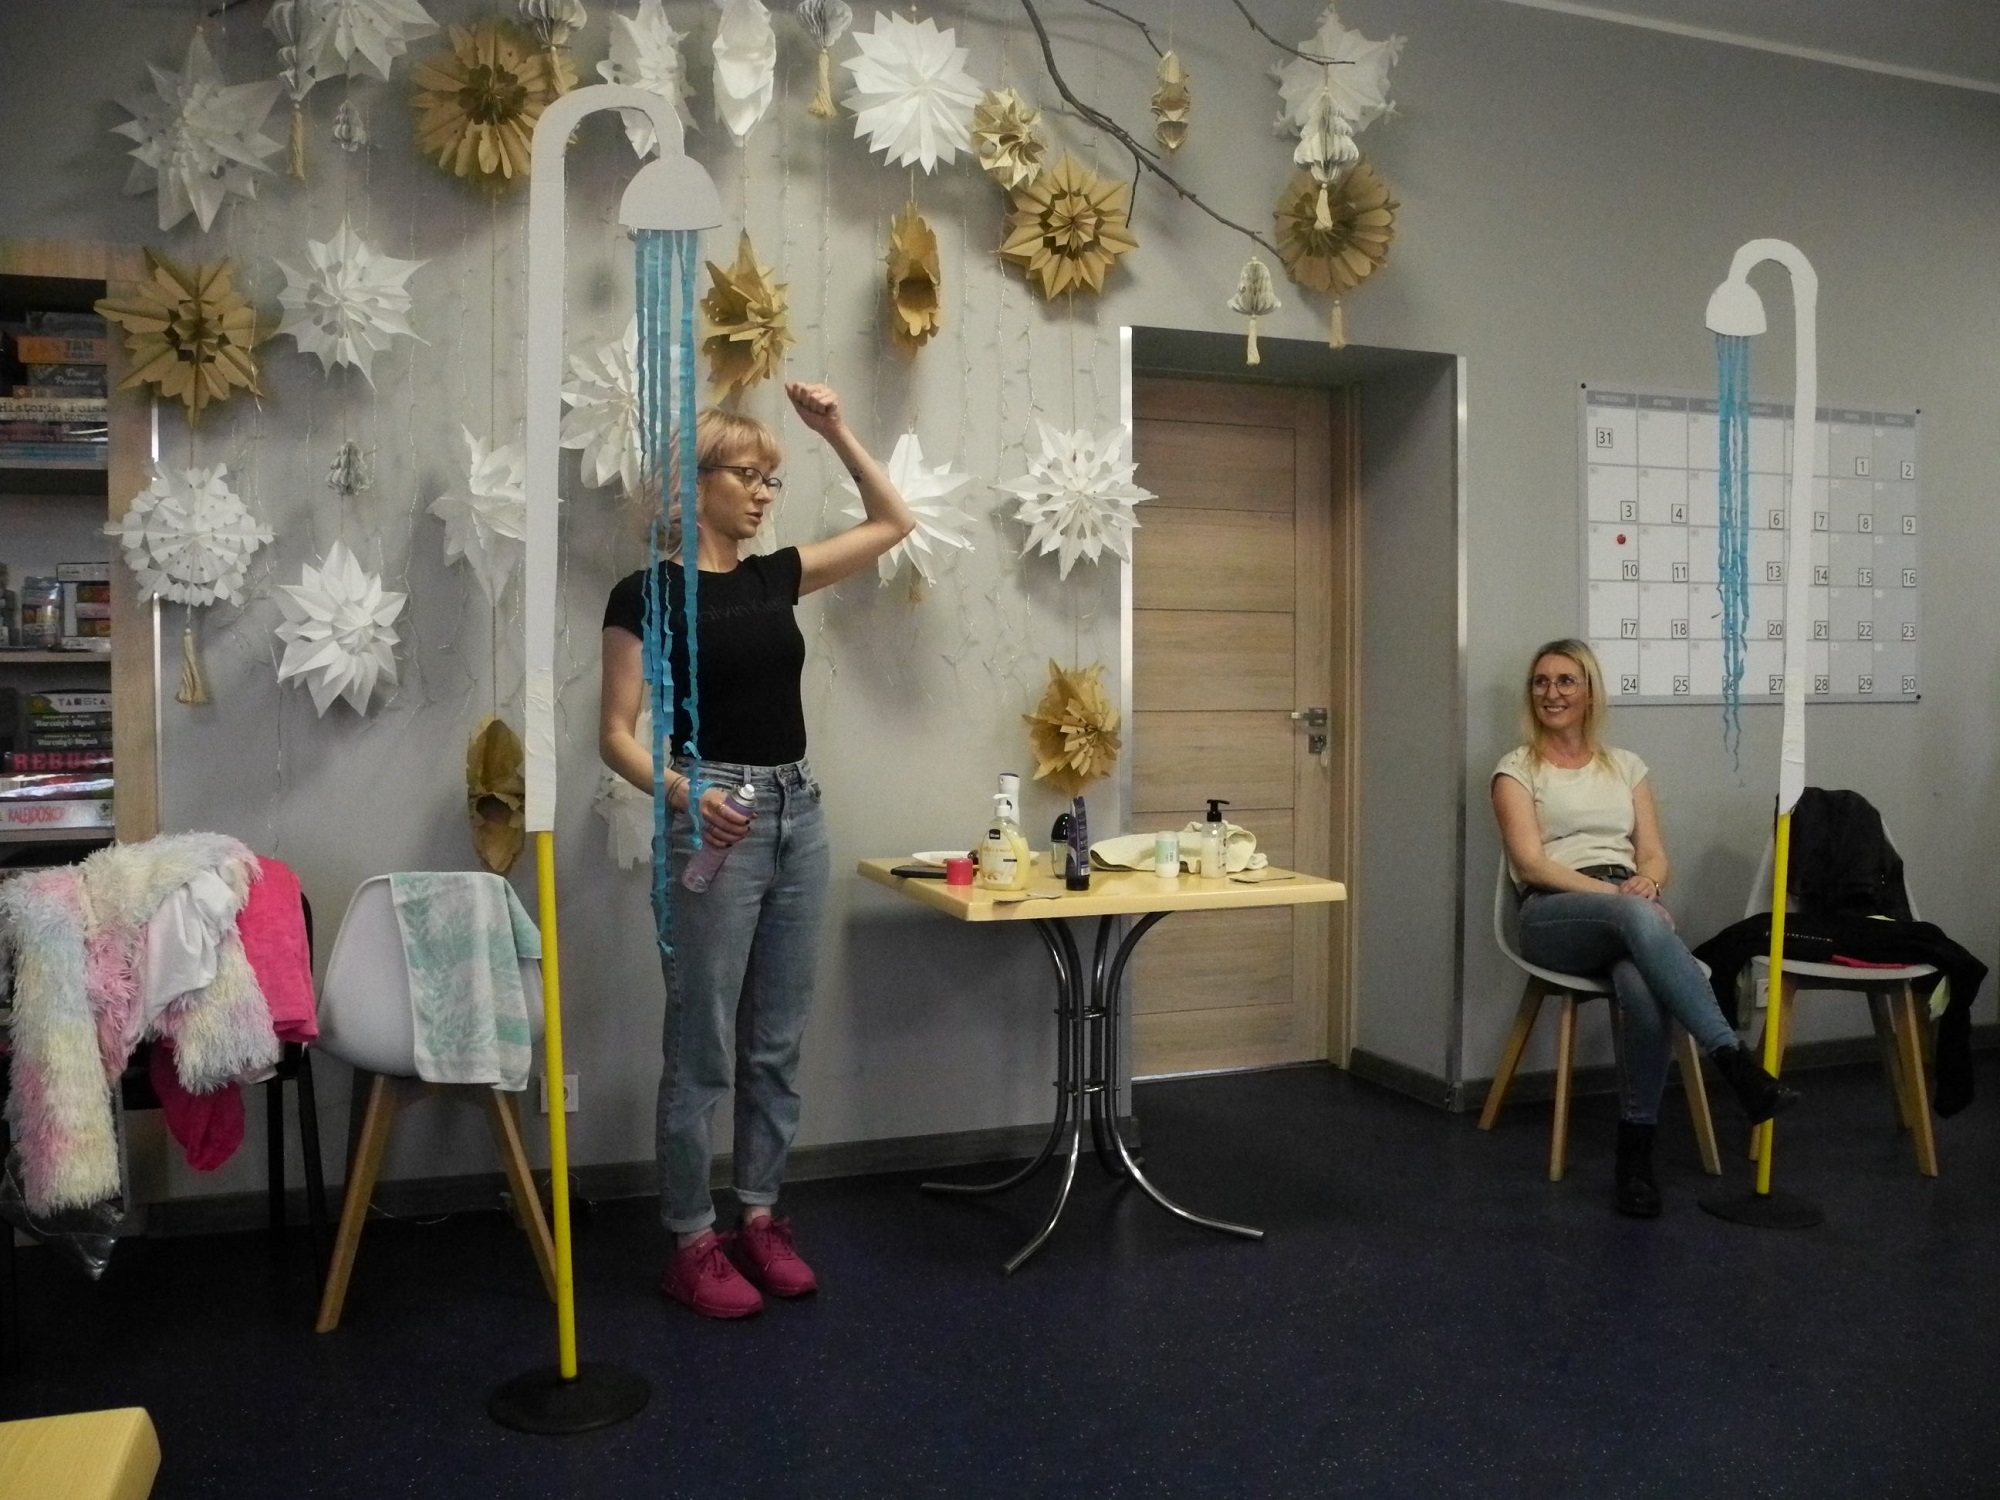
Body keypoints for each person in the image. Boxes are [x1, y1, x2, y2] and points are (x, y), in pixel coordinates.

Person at [600, 382, 915, 1316]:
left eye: (773, 480)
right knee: (702, 1042)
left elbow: (893, 521)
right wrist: (684, 792)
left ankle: (762, 1217)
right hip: (712, 811)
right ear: (695, 482)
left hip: (796, 813)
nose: (765, 494)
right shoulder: (645, 593)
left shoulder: (775, 576)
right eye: (749, 475)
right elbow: (614, 735)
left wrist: (836, 429)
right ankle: (692, 1239)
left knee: (776, 1040)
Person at [1490, 638, 1798, 1217]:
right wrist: (1624, 899)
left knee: (1639, 981)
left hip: (1627, 905)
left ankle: (1635, 1156)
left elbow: (1654, 855)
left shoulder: (1626, 766)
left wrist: (1649, 885)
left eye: (1565, 681)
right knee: (1637, 919)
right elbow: (1531, 865)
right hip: (1552, 914)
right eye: (1541, 682)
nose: (1552, 693)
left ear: (1589, 693)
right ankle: (1733, 1060)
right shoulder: (1516, 769)